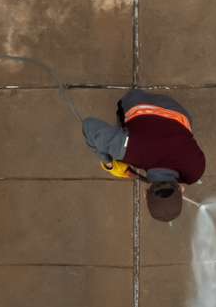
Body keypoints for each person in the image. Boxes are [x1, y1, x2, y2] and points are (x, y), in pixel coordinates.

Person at [82, 90, 206, 221]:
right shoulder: (128, 150)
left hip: (178, 110)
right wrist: (109, 163)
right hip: (137, 101)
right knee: (122, 128)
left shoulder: (196, 169)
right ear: (145, 195)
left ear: (182, 189)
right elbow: (89, 126)